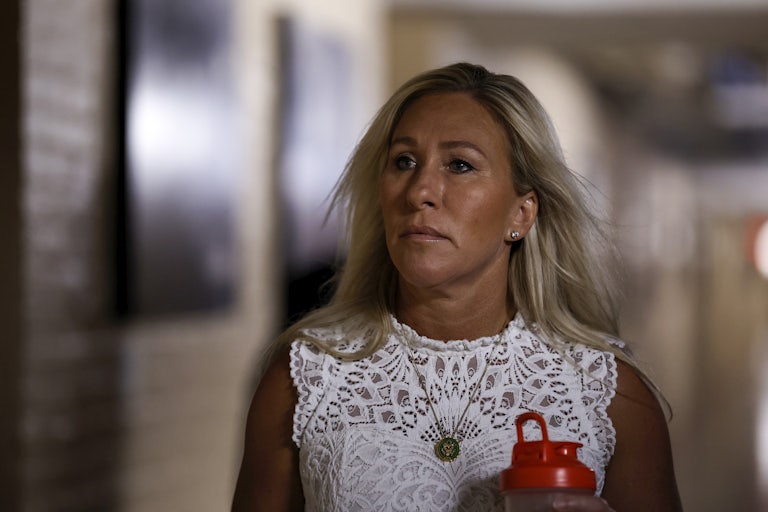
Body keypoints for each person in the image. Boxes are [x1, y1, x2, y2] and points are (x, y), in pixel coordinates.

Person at [231, 62, 683, 512]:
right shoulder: (305, 379)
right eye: (404, 161)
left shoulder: (606, 393)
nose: (419, 191)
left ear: (521, 214)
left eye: (460, 165)